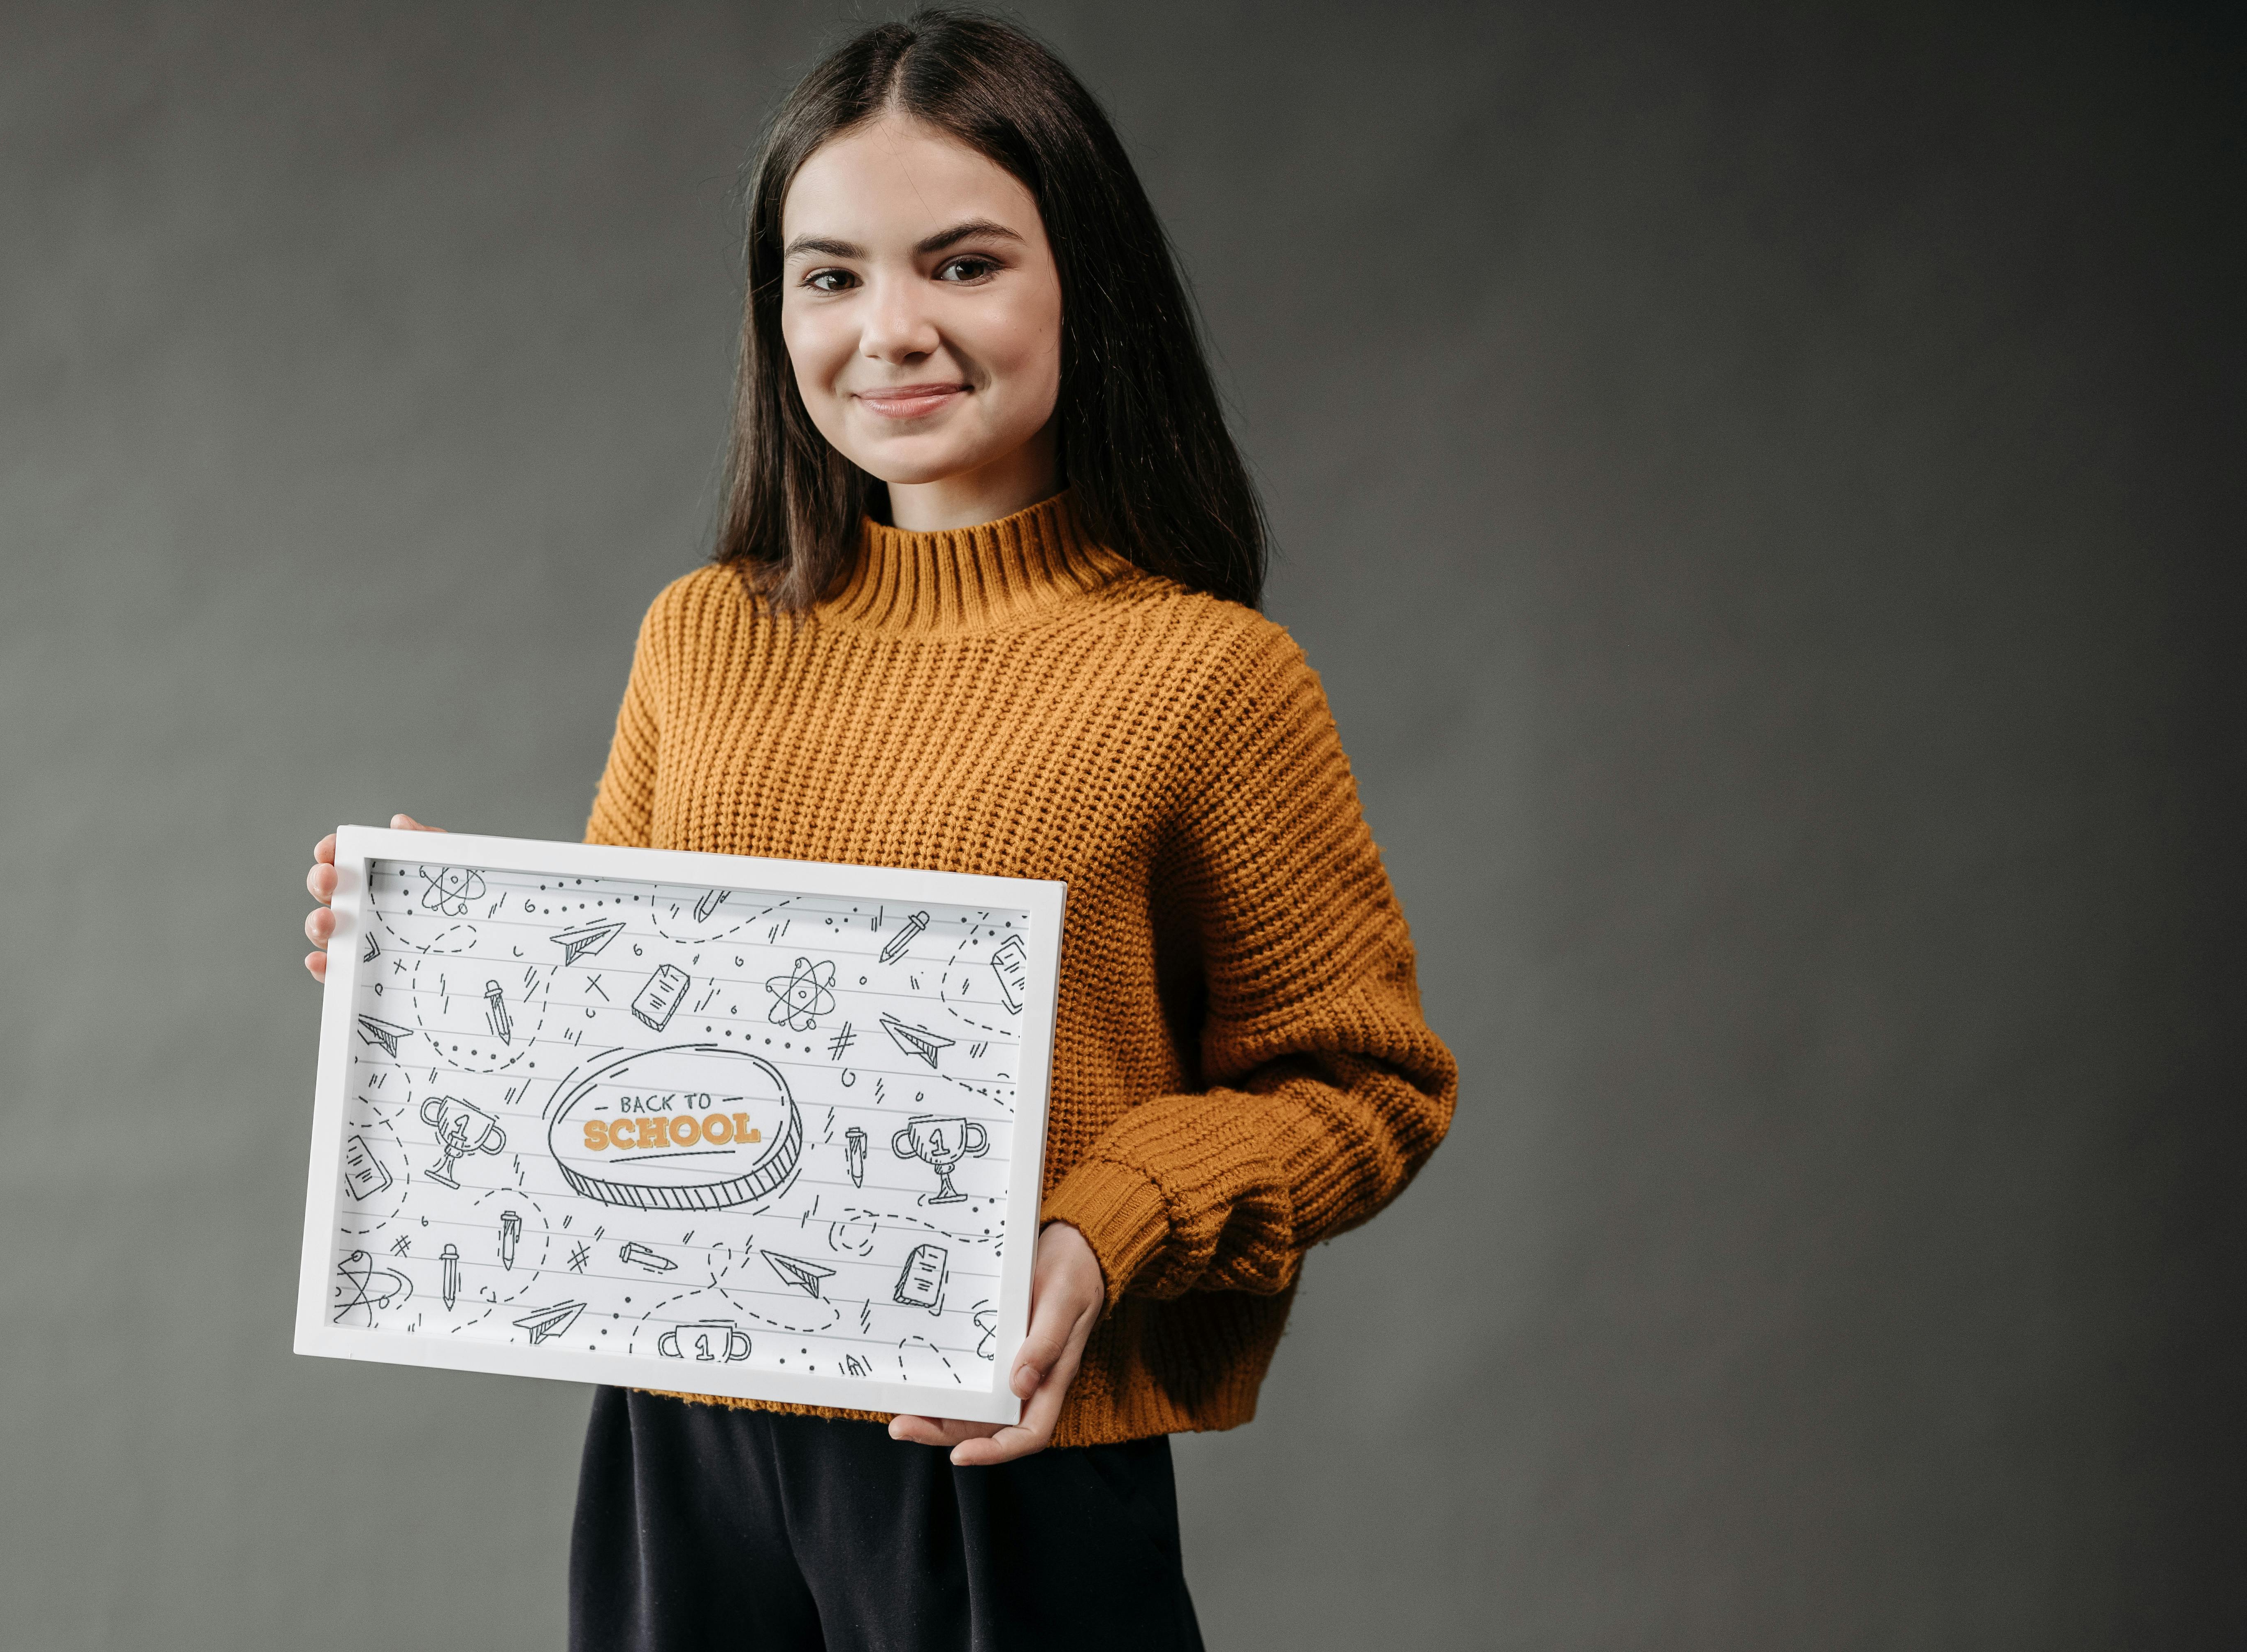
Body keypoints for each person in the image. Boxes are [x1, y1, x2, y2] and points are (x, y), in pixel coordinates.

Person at [301, 11, 1456, 1649]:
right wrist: (447, 952)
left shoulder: (1209, 675)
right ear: (775, 312)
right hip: (677, 1441)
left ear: (1086, 286)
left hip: (995, 1453)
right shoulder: (699, 635)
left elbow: (1365, 1084)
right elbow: (644, 1057)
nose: (889, 330)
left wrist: (1105, 1221)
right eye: (829, 275)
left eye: (963, 263)